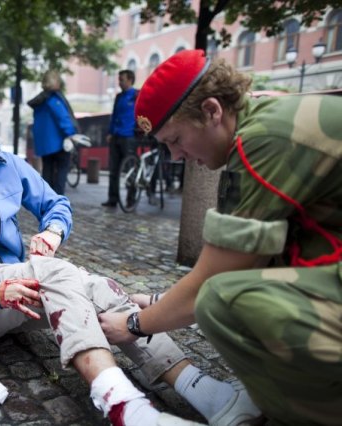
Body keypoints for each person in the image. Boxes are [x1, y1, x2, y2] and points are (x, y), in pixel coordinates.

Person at [0, 93, 262, 426]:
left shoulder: (8, 166)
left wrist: (53, 231)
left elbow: (56, 204)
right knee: (57, 273)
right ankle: (124, 406)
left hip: (21, 294)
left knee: (99, 290)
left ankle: (206, 393)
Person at [98, 49, 342, 425]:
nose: (175, 156)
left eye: (176, 139)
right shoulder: (260, 117)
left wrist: (133, 325)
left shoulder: (260, 140)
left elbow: (213, 280)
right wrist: (161, 302)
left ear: (211, 111)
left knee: (221, 300)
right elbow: (252, 253)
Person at [27, 70, 78, 195]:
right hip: (58, 143)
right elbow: (63, 118)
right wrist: (71, 134)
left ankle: (47, 199)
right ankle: (58, 200)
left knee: (47, 172)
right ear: (54, 82)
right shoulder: (53, 99)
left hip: (45, 145)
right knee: (62, 170)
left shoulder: (40, 102)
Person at [101, 69, 140, 208]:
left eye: (122, 80)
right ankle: (112, 199)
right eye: (119, 80)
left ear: (130, 80)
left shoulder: (136, 95)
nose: (119, 82)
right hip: (116, 136)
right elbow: (114, 115)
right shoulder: (118, 97)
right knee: (114, 170)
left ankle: (131, 199)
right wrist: (110, 132)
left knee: (130, 169)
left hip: (129, 137)